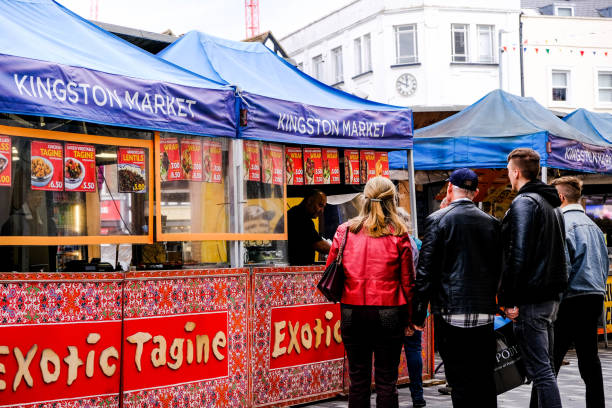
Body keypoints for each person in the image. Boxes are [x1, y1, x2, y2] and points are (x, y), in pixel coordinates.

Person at [413, 168, 501, 408]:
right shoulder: (492, 223)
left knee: (459, 381)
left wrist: (418, 312)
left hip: (450, 312)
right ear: (476, 192)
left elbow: (425, 271)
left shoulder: (437, 220)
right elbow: (499, 268)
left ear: (450, 188)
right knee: (484, 378)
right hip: (484, 311)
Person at [326, 176, 414, 408]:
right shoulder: (399, 233)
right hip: (388, 311)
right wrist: (412, 318)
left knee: (358, 379)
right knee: (386, 381)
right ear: (392, 200)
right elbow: (408, 282)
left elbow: (331, 269)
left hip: (352, 311)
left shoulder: (344, 231)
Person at [500, 148, 567, 408]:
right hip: (548, 297)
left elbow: (519, 253)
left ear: (516, 171)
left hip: (532, 297)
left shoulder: (525, 203)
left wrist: (509, 298)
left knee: (541, 371)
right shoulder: (551, 205)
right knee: (545, 368)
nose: (507, 175)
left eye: (508, 171)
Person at [551, 176, 608, 407]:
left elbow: (562, 268)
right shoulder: (594, 226)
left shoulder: (562, 224)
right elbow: (603, 263)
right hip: (593, 297)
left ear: (561, 197)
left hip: (571, 298)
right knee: (589, 361)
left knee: (550, 361)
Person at [397, 207, 426, 408]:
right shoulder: (418, 244)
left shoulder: (392, 242)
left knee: (391, 350)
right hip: (415, 303)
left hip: (395, 303)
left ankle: (389, 393)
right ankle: (418, 396)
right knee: (413, 348)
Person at [286, 189, 330, 265]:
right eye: (320, 205)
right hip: (296, 269)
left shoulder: (295, 213)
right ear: (309, 201)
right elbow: (320, 245)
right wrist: (341, 251)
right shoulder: (299, 217)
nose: (322, 211)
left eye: (323, 207)